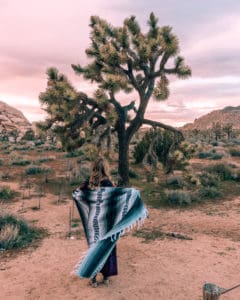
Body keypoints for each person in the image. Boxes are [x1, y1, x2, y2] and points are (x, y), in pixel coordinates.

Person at [79, 157, 117, 287]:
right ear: (105, 168)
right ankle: (106, 277)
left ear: (94, 168)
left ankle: (93, 279)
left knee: (94, 249)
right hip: (107, 222)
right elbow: (116, 199)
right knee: (107, 249)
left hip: (93, 222)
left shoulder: (88, 183)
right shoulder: (109, 184)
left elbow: (79, 193)